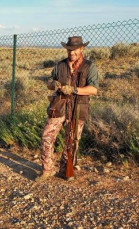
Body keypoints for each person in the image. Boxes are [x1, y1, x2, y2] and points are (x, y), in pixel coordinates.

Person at [40, 36, 99, 180]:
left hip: (78, 108)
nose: (71, 53)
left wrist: (74, 90)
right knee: (47, 136)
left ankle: (65, 170)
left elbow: (93, 90)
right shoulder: (59, 66)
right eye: (69, 50)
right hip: (58, 107)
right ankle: (47, 170)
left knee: (71, 142)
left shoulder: (89, 66)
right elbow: (49, 81)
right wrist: (52, 84)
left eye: (75, 50)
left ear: (81, 49)